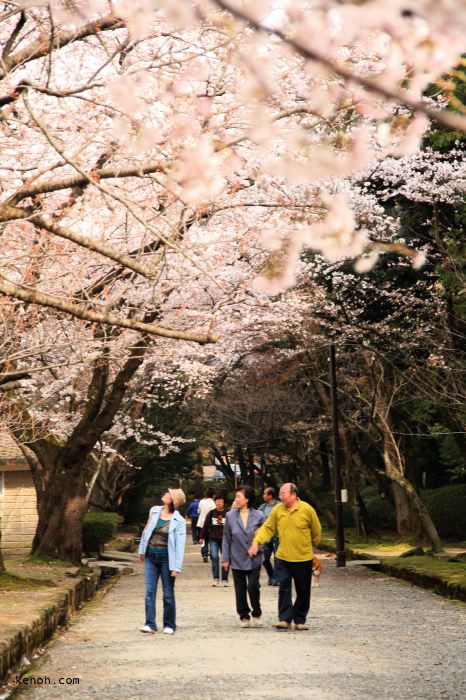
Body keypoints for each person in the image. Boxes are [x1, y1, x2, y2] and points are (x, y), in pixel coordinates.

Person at [248, 483, 322, 631]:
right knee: (284, 588)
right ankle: (285, 619)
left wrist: (310, 545)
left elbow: (316, 531)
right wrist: (256, 543)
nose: (280, 496)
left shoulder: (307, 509)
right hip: (283, 557)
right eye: (280, 493)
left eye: (283, 493)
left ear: (294, 495)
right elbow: (268, 528)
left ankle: (300, 619)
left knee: (303, 590)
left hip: (303, 557)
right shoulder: (278, 510)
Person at [138, 488, 186, 634]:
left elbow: (180, 545)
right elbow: (146, 530)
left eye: (168, 494)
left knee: (167, 593)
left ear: (172, 500)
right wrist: (141, 550)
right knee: (149, 591)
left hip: (167, 559)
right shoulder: (154, 511)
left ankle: (169, 624)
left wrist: (176, 567)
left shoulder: (179, 520)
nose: (165, 494)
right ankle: (150, 624)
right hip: (150, 557)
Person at [222, 485, 264, 628]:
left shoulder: (259, 515)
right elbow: (226, 539)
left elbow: (265, 536)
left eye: (238, 496)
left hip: (255, 559)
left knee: (253, 586)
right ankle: (244, 615)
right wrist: (225, 559)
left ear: (247, 499)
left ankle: (257, 613)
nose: (236, 499)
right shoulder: (230, 516)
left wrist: (258, 547)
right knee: (240, 589)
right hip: (237, 558)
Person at [199, 494, 229, 587]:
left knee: (225, 559)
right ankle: (216, 578)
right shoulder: (211, 513)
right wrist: (202, 537)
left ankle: (225, 579)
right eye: (216, 502)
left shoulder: (228, 513)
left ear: (224, 503)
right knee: (214, 557)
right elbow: (205, 526)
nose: (218, 503)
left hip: (225, 539)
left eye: (220, 501)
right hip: (213, 539)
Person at [258, 486, 280, 586]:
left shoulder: (280, 506)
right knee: (265, 559)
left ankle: (276, 579)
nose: (263, 495)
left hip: (277, 536)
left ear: (270, 495)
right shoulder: (263, 507)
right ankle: (271, 576)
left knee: (277, 558)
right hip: (266, 537)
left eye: (265, 494)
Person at [197, 487, 216, 563]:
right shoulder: (213, 503)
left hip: (201, 523)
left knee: (203, 539)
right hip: (210, 524)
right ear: (213, 495)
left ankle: (204, 554)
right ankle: (212, 554)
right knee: (211, 540)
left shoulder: (201, 501)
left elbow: (198, 511)